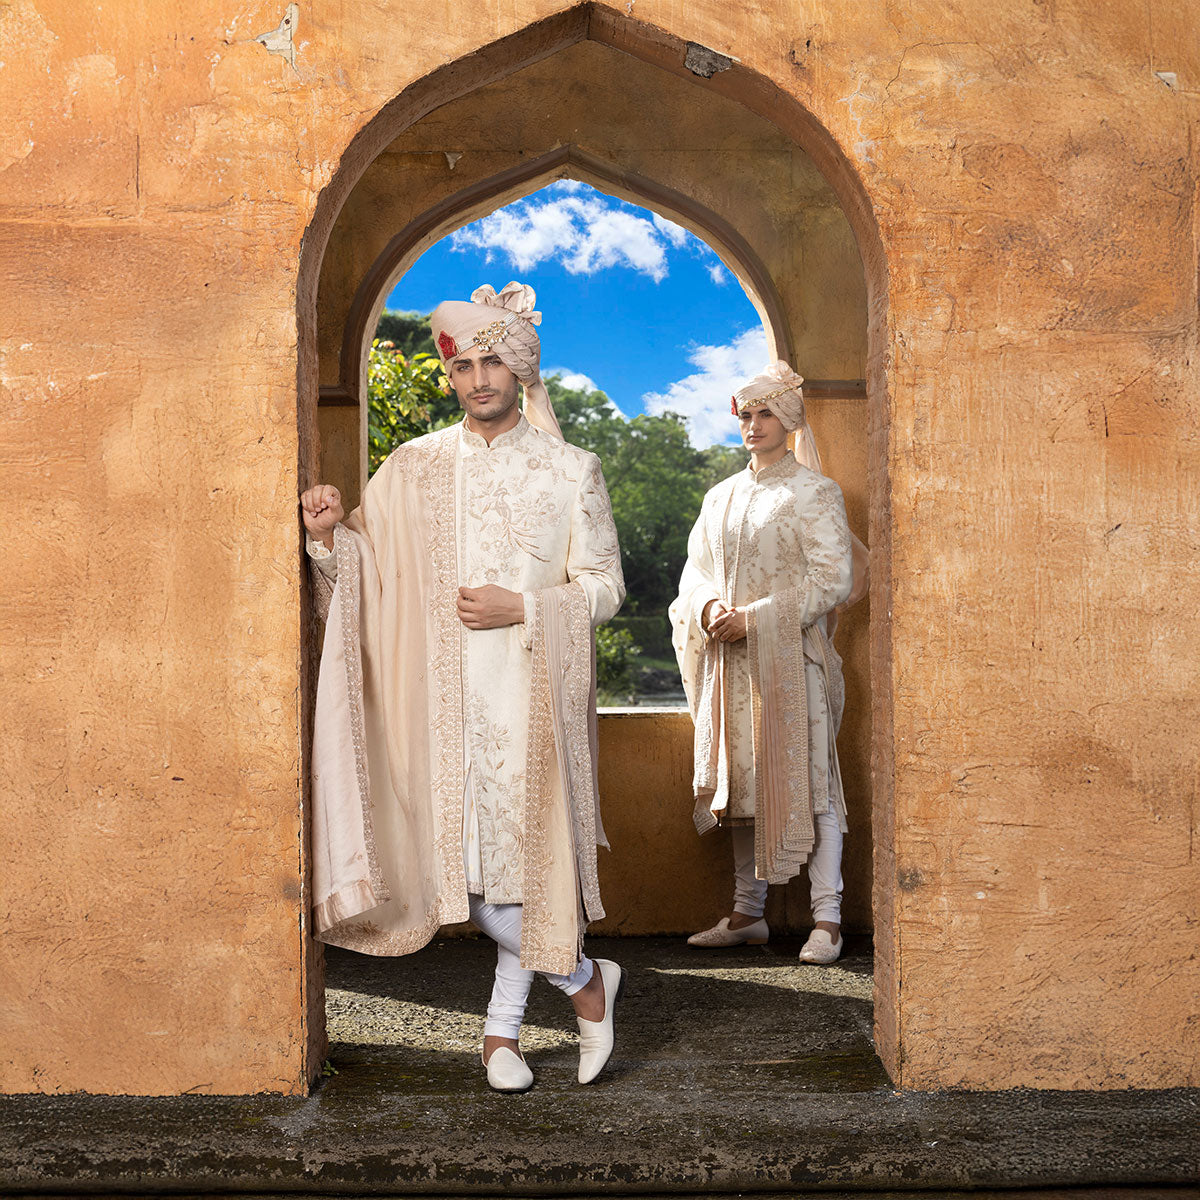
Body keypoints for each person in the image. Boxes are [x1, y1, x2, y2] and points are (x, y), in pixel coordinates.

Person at [300, 282, 626, 1092]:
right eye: (465, 366)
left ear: (520, 371)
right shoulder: (413, 468)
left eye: (494, 362)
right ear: (452, 378)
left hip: (532, 706)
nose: (479, 378)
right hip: (437, 714)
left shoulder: (570, 470)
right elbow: (368, 571)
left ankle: (499, 1038)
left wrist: (526, 606)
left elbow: (607, 586)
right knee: (473, 882)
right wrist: (326, 539)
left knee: (516, 876)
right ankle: (585, 983)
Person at [670, 361, 867, 964]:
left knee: (814, 783)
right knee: (743, 783)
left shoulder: (816, 492)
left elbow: (832, 579)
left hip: (794, 659)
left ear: (790, 420)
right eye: (746, 415)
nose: (754, 425)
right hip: (732, 664)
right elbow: (694, 573)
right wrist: (707, 610)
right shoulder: (720, 496)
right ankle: (746, 913)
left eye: (766, 414)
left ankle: (827, 919)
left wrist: (753, 617)